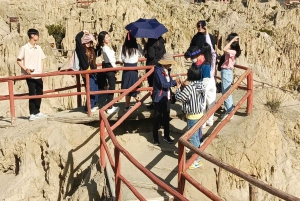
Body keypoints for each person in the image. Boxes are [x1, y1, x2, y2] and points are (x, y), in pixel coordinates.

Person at [175, 66, 206, 169]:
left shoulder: (190, 87)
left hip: (192, 116)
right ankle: (197, 156)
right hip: (199, 113)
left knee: (193, 137)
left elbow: (179, 98)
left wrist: (178, 88)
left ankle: (197, 159)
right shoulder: (201, 85)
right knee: (196, 136)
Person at [17, 28, 47, 121]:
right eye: (37, 35)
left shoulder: (39, 48)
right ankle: (32, 113)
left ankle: (37, 111)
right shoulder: (25, 48)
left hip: (38, 73)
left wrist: (42, 73)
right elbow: (18, 60)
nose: (38, 36)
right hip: (30, 75)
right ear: (32, 36)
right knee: (32, 93)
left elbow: (42, 60)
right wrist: (26, 69)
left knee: (39, 93)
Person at [184, 44, 211, 144]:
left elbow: (205, 82)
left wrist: (194, 86)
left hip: (199, 93)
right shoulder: (194, 65)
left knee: (197, 118)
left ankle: (197, 140)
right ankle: (198, 140)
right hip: (192, 93)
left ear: (200, 55)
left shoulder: (206, 66)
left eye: (194, 57)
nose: (193, 59)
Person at [152, 53, 176, 145]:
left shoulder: (167, 70)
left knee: (166, 117)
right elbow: (163, 84)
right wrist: (174, 83)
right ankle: (155, 138)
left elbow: (168, 82)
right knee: (157, 118)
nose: (170, 65)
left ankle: (166, 136)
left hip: (166, 97)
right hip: (159, 98)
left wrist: (173, 82)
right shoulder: (158, 71)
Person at [118, 32, 143, 112]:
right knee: (135, 86)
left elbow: (120, 59)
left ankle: (126, 106)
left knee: (127, 87)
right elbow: (142, 55)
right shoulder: (137, 47)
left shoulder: (123, 47)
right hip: (134, 68)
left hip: (126, 69)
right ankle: (138, 104)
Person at [75, 30, 99, 112]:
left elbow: (99, 50)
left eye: (90, 42)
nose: (89, 43)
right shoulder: (81, 49)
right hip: (86, 72)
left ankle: (92, 105)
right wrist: (82, 32)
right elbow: (77, 38)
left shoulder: (92, 50)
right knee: (90, 89)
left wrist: (95, 41)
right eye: (88, 41)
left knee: (95, 89)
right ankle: (89, 107)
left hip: (93, 71)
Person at [97, 31, 119, 114]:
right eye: (107, 37)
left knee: (111, 87)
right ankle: (109, 107)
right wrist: (115, 69)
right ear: (103, 40)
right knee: (112, 87)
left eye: (108, 36)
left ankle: (110, 105)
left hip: (108, 67)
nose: (109, 38)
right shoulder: (105, 48)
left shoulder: (105, 48)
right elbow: (111, 60)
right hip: (110, 67)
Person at [221, 33, 241, 120]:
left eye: (228, 40)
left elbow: (224, 49)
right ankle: (228, 110)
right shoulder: (232, 51)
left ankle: (229, 112)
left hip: (226, 72)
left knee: (226, 93)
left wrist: (232, 40)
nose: (227, 42)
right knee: (225, 92)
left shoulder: (233, 51)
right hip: (225, 72)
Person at [145, 36, 166, 109]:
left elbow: (151, 55)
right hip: (160, 65)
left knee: (152, 85)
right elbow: (164, 53)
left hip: (152, 66)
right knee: (159, 85)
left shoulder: (151, 42)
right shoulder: (162, 42)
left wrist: (146, 50)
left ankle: (155, 103)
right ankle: (160, 102)